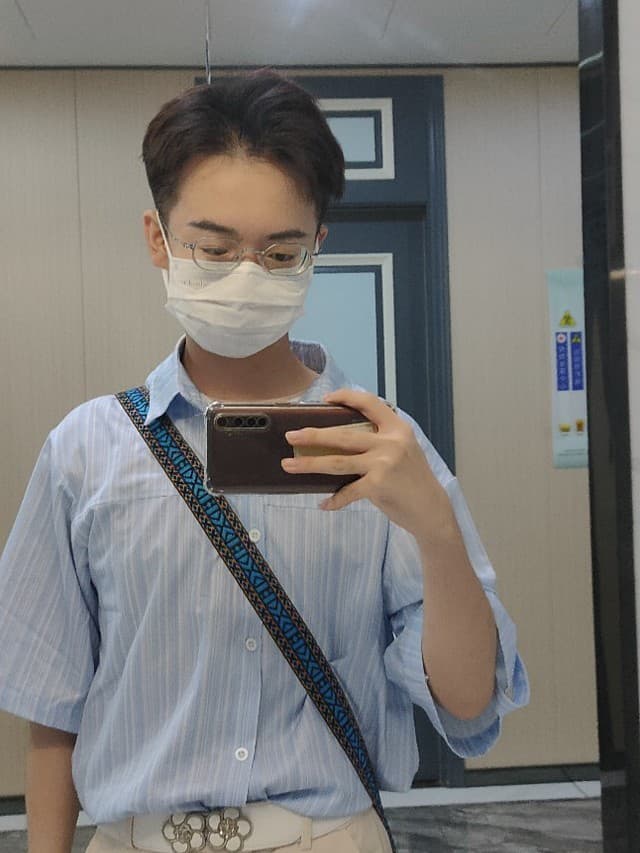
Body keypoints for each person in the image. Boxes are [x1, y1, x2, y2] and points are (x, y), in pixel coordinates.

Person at [0, 70, 528, 853]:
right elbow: (53, 710)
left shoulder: (384, 448)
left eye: (280, 251)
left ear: (317, 248)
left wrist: (438, 532)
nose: (246, 274)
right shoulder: (85, 451)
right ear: (158, 238)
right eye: (213, 248)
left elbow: (467, 698)